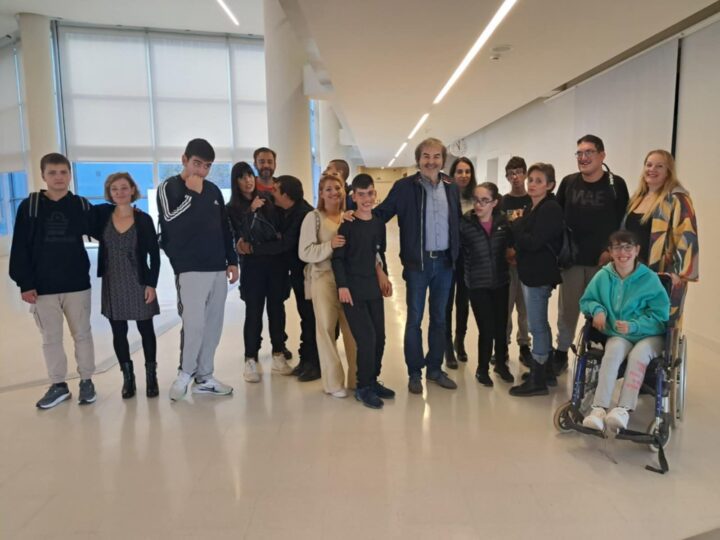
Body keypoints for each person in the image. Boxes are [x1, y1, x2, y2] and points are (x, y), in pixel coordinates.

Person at [9, 152, 97, 408]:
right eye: (52, 173)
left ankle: (87, 381)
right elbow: (20, 246)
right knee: (51, 339)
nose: (59, 177)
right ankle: (58, 385)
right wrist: (25, 283)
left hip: (77, 284)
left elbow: (104, 228)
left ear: (70, 175)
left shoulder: (80, 205)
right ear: (43, 175)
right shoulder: (31, 206)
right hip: (43, 287)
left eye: (63, 172)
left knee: (83, 335)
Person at [374, 138, 460, 395]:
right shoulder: (404, 187)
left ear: (443, 160)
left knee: (440, 319)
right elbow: (381, 215)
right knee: (414, 320)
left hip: (445, 263)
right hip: (417, 265)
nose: (431, 161)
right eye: (426, 156)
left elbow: (457, 222)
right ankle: (414, 372)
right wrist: (354, 215)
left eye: (436, 156)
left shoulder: (451, 187)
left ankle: (434, 369)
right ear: (418, 159)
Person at [157, 138, 237, 401]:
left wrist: (232, 260)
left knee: (213, 325)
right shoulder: (169, 187)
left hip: (217, 267)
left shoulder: (213, 190)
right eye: (197, 163)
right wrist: (191, 194)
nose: (201, 170)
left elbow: (224, 228)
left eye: (207, 166)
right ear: (184, 160)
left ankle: (204, 376)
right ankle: (184, 374)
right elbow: (169, 221)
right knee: (194, 325)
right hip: (189, 268)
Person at [580, 231, 670, 432]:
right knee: (612, 352)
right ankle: (599, 409)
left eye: (628, 247)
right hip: (619, 334)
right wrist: (597, 310)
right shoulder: (603, 276)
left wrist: (635, 326)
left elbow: (661, 316)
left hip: (650, 335)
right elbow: (587, 300)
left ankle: (623, 409)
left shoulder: (649, 279)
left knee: (638, 355)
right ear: (610, 252)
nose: (623, 253)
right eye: (617, 248)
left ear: (637, 250)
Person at [554, 135, 629, 375]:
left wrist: (610, 251)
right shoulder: (568, 183)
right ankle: (560, 354)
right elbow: (556, 218)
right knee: (567, 311)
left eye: (589, 152)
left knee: (601, 312)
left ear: (602, 155)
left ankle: (597, 357)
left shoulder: (616, 185)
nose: (583, 157)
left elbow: (623, 223)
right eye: (579, 153)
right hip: (572, 262)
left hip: (603, 264)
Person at [94, 173, 160, 399]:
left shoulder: (143, 219)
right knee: (118, 331)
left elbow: (154, 255)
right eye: (114, 189)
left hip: (138, 280)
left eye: (124, 188)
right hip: (112, 282)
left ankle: (151, 376)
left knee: (146, 329)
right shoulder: (103, 217)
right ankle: (128, 378)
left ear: (132, 190)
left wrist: (151, 284)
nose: (119, 192)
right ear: (109, 193)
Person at [333, 174, 394, 408]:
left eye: (370, 193)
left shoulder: (378, 224)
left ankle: (373, 380)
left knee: (380, 338)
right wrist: (342, 286)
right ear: (354, 197)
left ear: (375, 194)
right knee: (366, 339)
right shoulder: (347, 225)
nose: (366, 199)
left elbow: (378, 253)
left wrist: (384, 275)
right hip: (352, 291)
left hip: (373, 289)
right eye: (361, 194)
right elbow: (338, 259)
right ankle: (363, 387)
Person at [226, 161, 291, 382]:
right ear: (235, 182)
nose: (248, 181)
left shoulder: (268, 200)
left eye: (250, 175)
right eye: (242, 177)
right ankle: (250, 358)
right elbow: (238, 239)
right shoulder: (232, 208)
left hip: (275, 264)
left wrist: (258, 242)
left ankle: (279, 353)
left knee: (277, 309)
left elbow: (279, 232)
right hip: (252, 268)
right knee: (253, 312)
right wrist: (250, 211)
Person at [623, 150, 698, 326]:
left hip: (661, 274)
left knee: (658, 326)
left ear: (668, 171)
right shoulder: (637, 198)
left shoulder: (677, 198)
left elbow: (687, 237)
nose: (652, 169)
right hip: (631, 274)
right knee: (629, 323)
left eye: (659, 166)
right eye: (649, 165)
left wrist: (678, 274)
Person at [299, 174, 357, 397]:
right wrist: (329, 245)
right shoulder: (313, 218)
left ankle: (357, 379)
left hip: (348, 280)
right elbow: (304, 252)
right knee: (325, 329)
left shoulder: (348, 217)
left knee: (352, 329)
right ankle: (333, 383)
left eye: (337, 188)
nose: (334, 192)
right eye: (328, 189)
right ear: (321, 194)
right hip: (323, 278)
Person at [508, 163, 564, 397]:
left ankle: (538, 379)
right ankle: (546, 371)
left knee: (536, 325)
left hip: (539, 274)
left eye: (538, 181)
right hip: (531, 272)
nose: (532, 184)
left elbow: (533, 242)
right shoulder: (533, 207)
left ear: (550, 185)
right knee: (540, 323)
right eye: (531, 179)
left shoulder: (550, 208)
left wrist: (517, 226)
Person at [460, 182, 514, 387]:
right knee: (486, 328)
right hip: (477, 284)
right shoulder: (465, 224)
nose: (479, 205)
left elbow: (511, 246)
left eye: (485, 200)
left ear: (494, 203)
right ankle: (482, 369)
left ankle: (500, 364)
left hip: (501, 282)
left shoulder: (503, 223)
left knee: (501, 326)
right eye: (476, 200)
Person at [272, 175, 322, 381]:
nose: (272, 193)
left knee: (311, 318)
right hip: (298, 274)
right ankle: (306, 360)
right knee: (306, 317)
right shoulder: (287, 211)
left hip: (309, 275)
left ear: (286, 195)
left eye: (276, 190)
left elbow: (286, 244)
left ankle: (314, 364)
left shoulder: (304, 214)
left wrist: (255, 248)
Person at [500, 156, 532, 368]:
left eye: (519, 172)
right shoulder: (503, 202)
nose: (515, 177)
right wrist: (506, 250)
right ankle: (503, 346)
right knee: (506, 307)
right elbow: (500, 230)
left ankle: (524, 346)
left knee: (525, 308)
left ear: (525, 174)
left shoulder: (533, 200)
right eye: (511, 173)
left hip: (527, 263)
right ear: (507, 177)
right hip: (507, 265)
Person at [445, 157, 477, 368]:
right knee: (446, 303)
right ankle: (447, 346)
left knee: (463, 302)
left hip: (468, 259)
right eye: (459, 171)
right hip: (448, 257)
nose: (464, 175)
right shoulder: (445, 196)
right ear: (453, 174)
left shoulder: (476, 198)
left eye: (467, 171)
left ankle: (460, 340)